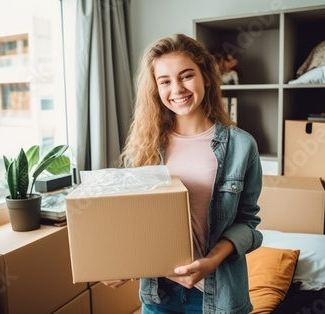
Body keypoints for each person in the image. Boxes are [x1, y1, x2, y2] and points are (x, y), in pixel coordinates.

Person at [103, 33, 263, 314]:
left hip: (219, 295)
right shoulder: (146, 146)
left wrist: (212, 260)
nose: (177, 89)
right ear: (156, 88)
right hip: (158, 294)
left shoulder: (241, 145)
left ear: (206, 78)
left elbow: (248, 224)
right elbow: (135, 220)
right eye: (165, 81)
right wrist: (123, 265)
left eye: (186, 76)